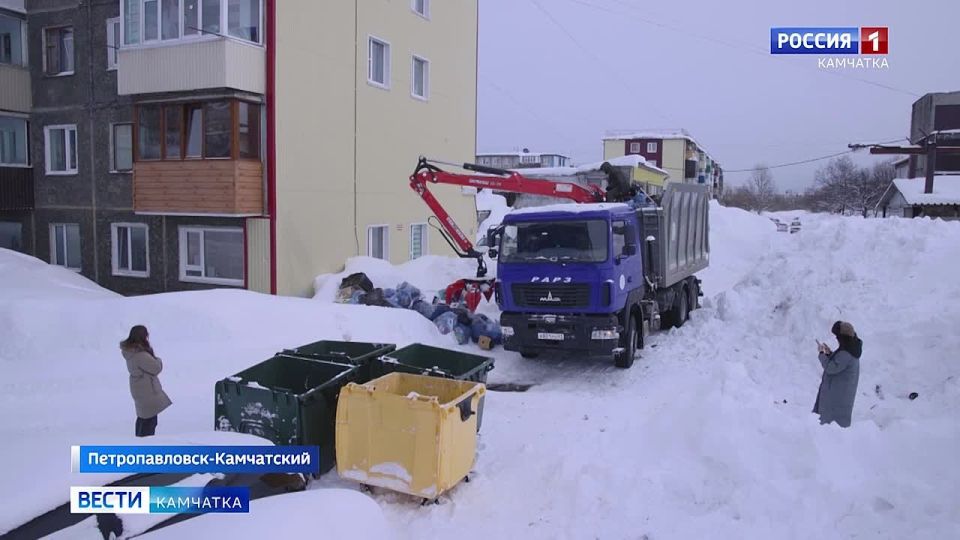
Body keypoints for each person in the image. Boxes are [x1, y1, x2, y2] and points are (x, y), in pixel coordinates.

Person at [120, 325, 172, 437]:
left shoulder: (131, 352)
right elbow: (156, 367)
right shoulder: (140, 355)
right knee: (149, 420)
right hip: (147, 390)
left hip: (139, 388)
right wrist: (158, 360)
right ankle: (145, 443)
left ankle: (140, 440)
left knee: (143, 417)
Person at [813, 321, 862, 427]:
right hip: (839, 393)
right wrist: (829, 354)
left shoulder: (846, 353)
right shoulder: (851, 348)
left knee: (831, 425)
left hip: (836, 396)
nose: (837, 339)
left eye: (837, 337)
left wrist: (821, 354)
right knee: (832, 423)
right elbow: (838, 363)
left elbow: (831, 368)